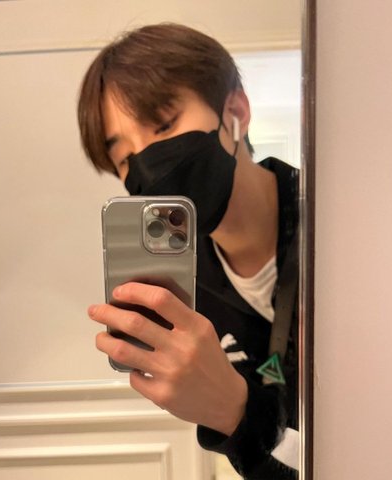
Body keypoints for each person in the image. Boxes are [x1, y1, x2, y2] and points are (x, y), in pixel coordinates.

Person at [78, 23, 299, 480]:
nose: (148, 164)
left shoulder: (346, 230)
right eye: (125, 159)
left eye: (163, 125)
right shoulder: (184, 295)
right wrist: (231, 415)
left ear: (235, 111)